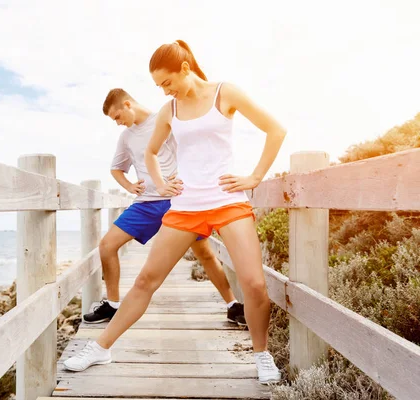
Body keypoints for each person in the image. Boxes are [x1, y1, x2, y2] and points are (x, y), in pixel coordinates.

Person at [64, 40, 287, 385]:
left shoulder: (224, 93)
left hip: (228, 201)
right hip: (185, 206)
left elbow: (276, 129)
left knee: (255, 284)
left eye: (166, 82)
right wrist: (160, 184)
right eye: (158, 86)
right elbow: (151, 153)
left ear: (185, 68)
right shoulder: (169, 111)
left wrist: (255, 176)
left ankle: (261, 354)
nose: (164, 91)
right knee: (145, 281)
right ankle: (101, 348)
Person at [80, 88, 246, 329]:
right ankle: (113, 305)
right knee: (107, 246)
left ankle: (233, 305)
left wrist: (186, 178)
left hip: (178, 201)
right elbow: (117, 168)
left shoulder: (166, 116)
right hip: (146, 204)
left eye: (117, 117)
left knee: (205, 253)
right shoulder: (126, 137)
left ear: (127, 104)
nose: (117, 123)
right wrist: (129, 185)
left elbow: (193, 150)